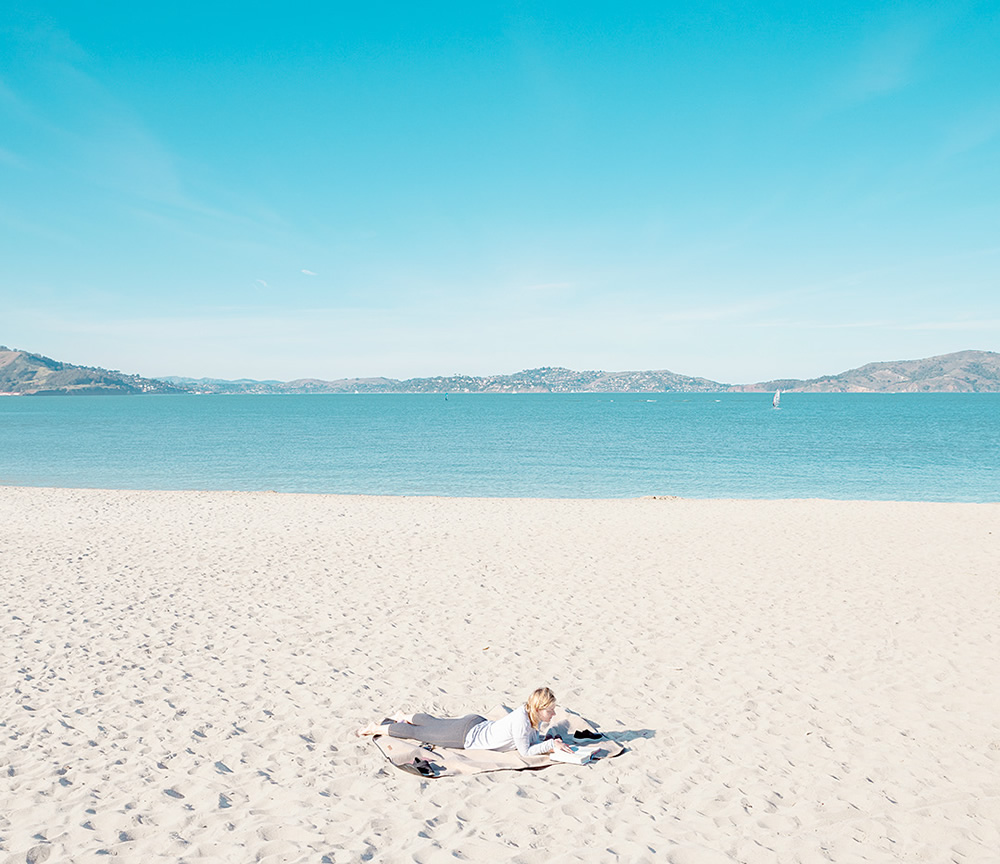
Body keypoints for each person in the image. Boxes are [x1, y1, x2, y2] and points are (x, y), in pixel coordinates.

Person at [356, 687, 574, 756]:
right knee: (419, 733)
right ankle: (375, 727)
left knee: (434, 721)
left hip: (476, 723)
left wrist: (548, 739)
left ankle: (403, 715)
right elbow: (526, 752)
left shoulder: (528, 713)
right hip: (465, 735)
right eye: (550, 710)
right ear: (538, 708)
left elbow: (531, 739)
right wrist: (551, 745)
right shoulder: (521, 721)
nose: (554, 715)